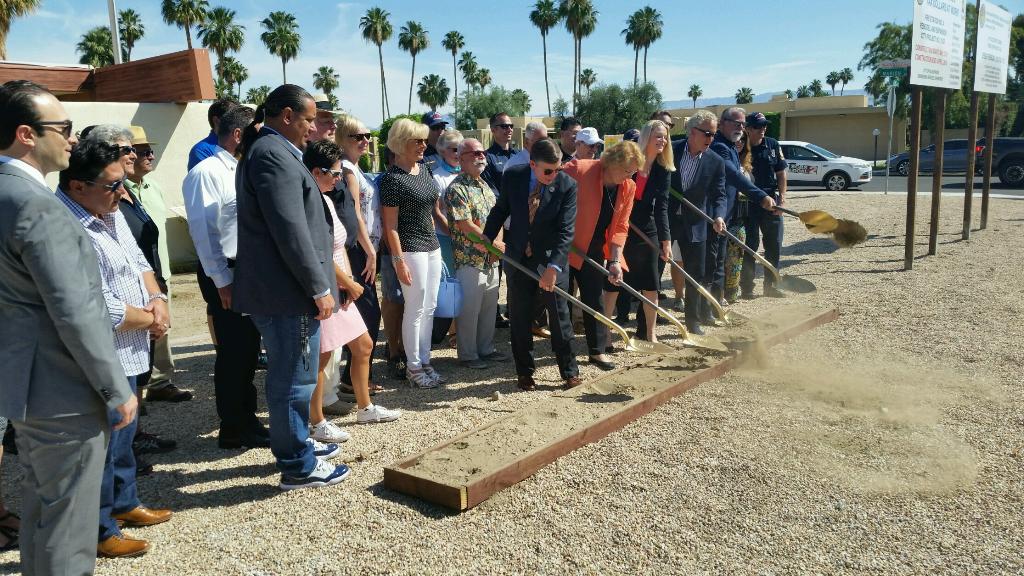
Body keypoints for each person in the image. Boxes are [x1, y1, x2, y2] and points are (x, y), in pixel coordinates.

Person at [0, 80, 135, 575]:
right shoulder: (35, 203)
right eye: (64, 128)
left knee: (43, 510)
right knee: (69, 526)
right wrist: (113, 387)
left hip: (25, 382)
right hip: (62, 389)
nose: (74, 139)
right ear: (26, 134)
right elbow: (74, 307)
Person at [57, 139, 174, 558]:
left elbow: (139, 262)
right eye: (113, 185)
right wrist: (151, 319)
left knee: (124, 434)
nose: (122, 192)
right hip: (101, 353)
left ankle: (124, 503)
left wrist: (157, 300)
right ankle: (99, 528)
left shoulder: (107, 209)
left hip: (131, 346)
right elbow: (98, 305)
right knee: (102, 445)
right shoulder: (66, 225)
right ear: (77, 186)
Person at [234, 84, 350, 491]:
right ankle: (297, 465)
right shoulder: (272, 153)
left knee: (294, 377)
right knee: (293, 380)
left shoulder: (275, 151)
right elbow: (289, 229)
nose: (313, 128)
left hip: (288, 290)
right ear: (287, 115)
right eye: (308, 119)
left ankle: (297, 443)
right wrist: (318, 287)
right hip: (288, 293)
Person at [182, 105, 270, 450]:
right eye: (256, 132)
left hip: (245, 271)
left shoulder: (239, 168)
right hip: (226, 274)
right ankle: (233, 426)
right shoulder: (206, 172)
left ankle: (247, 418)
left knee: (248, 351)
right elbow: (204, 232)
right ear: (238, 135)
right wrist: (222, 280)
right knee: (234, 352)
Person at [304, 140, 401, 440]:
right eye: (333, 174)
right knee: (322, 358)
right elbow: (317, 254)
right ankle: (316, 422)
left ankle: (365, 407)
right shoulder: (309, 204)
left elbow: (339, 246)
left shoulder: (327, 201)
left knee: (364, 346)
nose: (338, 179)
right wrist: (348, 283)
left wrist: (348, 279)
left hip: (342, 286)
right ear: (315, 172)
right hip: (326, 288)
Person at [483, 139, 582, 391]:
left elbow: (566, 232)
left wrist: (553, 268)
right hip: (518, 258)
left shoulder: (567, 185)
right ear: (532, 165)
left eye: (558, 169)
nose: (553, 175)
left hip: (550, 261)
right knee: (519, 317)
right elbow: (501, 208)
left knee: (559, 318)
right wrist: (487, 236)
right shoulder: (513, 176)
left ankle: (570, 371)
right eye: (548, 171)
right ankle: (524, 372)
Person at [124, 126, 191, 403]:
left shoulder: (154, 188)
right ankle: (135, 392)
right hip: (135, 275)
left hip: (160, 271)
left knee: (162, 327)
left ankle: (160, 381)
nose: (150, 156)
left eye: (150, 151)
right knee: (140, 332)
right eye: (142, 152)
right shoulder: (119, 192)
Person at [562, 142, 642, 370]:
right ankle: (565, 354)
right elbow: (549, 195)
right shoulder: (578, 169)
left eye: (633, 172)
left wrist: (614, 260)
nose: (629, 176)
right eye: (627, 170)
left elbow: (621, 227)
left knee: (594, 299)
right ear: (612, 163)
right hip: (565, 246)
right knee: (562, 302)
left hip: (594, 248)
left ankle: (597, 351)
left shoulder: (628, 187)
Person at [379, 118, 445, 388]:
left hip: (432, 246)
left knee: (429, 307)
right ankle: (414, 366)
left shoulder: (425, 170)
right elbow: (390, 227)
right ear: (400, 143)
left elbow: (431, 210)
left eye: (423, 140)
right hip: (410, 249)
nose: (423, 145)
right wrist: (398, 261)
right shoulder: (392, 180)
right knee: (415, 309)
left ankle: (425, 360)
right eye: (417, 141)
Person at [445, 138, 508, 369]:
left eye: (482, 152)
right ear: (461, 159)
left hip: (490, 258)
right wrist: (492, 245)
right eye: (475, 153)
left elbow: (497, 217)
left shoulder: (485, 186)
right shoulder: (456, 189)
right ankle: (468, 355)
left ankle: (486, 349)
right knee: (470, 309)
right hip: (469, 259)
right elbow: (465, 225)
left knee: (489, 307)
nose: (481, 156)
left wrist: (497, 245)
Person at [334, 114, 384, 403]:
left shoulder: (354, 167)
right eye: (358, 136)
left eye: (367, 136)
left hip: (363, 247)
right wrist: (370, 250)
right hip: (358, 249)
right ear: (344, 139)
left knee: (367, 312)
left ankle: (355, 379)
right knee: (367, 313)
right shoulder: (348, 170)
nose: (365, 141)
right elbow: (355, 214)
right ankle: (354, 381)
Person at [708, 108, 775, 310]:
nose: (740, 127)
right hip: (716, 214)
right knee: (715, 262)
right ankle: (712, 304)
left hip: (726, 214)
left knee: (720, 260)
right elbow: (733, 175)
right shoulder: (720, 147)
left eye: (743, 124)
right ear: (722, 123)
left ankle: (716, 301)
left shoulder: (730, 146)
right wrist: (760, 196)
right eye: (736, 123)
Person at [668, 110, 727, 335]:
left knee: (696, 274)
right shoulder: (670, 150)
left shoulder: (715, 161)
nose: (711, 138)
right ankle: (645, 325)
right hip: (666, 221)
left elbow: (719, 195)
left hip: (695, 225)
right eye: (708, 133)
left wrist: (719, 216)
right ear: (693, 132)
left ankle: (692, 322)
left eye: (713, 134)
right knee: (654, 270)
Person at [624, 120, 674, 341]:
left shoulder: (663, 169)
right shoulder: (631, 161)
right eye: (658, 136)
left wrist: (666, 240)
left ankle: (649, 333)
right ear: (647, 138)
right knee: (617, 281)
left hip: (647, 224)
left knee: (651, 281)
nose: (663, 140)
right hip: (624, 223)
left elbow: (662, 207)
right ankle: (605, 333)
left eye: (665, 137)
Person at [741, 111, 788, 299]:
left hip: (771, 202)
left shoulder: (772, 145)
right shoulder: (740, 147)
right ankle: (747, 288)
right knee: (749, 245)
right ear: (748, 129)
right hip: (747, 203)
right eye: (757, 127)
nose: (762, 129)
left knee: (774, 244)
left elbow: (781, 173)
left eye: (764, 126)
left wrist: (782, 198)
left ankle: (771, 286)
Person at [726, 134, 753, 303]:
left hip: (741, 219)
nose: (739, 142)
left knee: (736, 260)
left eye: (743, 140)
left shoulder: (746, 166)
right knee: (722, 261)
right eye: (737, 139)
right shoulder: (726, 163)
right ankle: (718, 294)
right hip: (726, 218)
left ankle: (731, 294)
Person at [188, 97, 239, 170]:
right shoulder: (201, 151)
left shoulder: (241, 145)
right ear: (216, 121)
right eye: (234, 118)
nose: (240, 122)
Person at [481, 112, 517, 194]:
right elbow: (491, 190)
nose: (510, 129)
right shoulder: (487, 158)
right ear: (493, 130)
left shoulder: (518, 154)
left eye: (511, 126)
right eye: (504, 126)